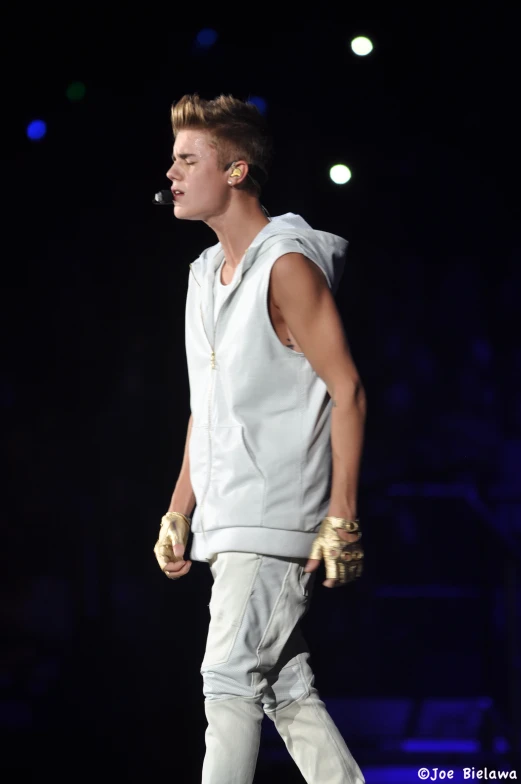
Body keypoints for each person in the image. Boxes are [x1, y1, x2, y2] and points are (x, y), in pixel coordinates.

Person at [154, 93, 367, 784]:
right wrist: (179, 508)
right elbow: (205, 406)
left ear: (236, 171)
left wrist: (341, 514)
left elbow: (348, 389)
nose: (173, 173)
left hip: (273, 513)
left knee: (227, 678)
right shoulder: (200, 276)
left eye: (189, 160)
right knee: (284, 688)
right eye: (175, 159)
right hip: (229, 511)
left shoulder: (286, 264)